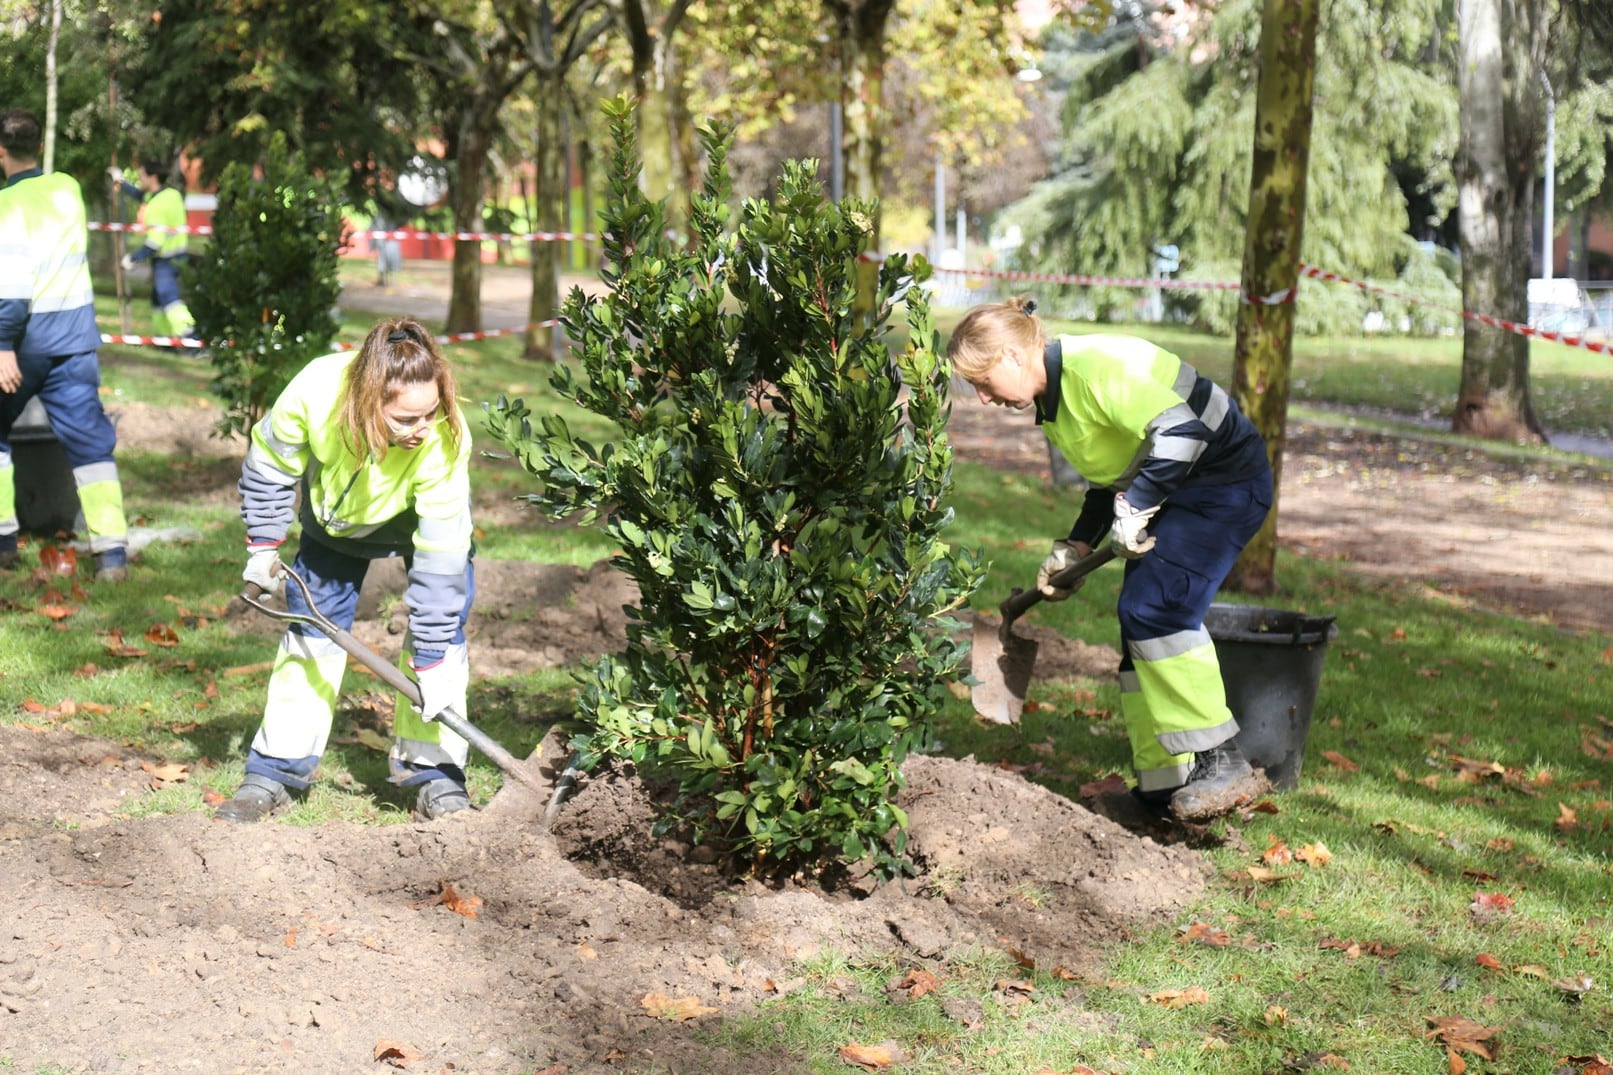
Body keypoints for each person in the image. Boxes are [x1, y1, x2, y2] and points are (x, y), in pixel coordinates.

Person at [947, 297, 1273, 822]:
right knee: (1140, 633)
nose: (983, 399)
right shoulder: (1054, 403)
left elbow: (1184, 432)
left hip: (1224, 482)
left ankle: (1224, 762)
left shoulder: (1093, 369)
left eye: (983, 383)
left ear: (1011, 355)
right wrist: (1074, 545)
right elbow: (1111, 478)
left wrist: (1138, 505)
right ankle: (1161, 793)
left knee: (1156, 613)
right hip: (1182, 488)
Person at [218, 316, 477, 823]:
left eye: (430, 414)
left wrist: (430, 657)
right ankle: (275, 769)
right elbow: (270, 463)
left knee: (440, 648)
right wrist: (264, 543)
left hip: (415, 523)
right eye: (406, 420)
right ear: (365, 401)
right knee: (310, 637)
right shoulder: (316, 390)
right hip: (333, 524)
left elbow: (442, 559)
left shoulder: (443, 438)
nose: (423, 430)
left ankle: (436, 776)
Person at [0, 108, 130, 581]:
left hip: (27, 344)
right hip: (74, 343)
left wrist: (2, 348)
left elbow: (11, 289)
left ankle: (3, 545)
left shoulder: (6, 206)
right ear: (37, 146)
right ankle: (112, 555)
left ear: (0, 151)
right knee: (91, 446)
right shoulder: (68, 189)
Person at [110, 158, 194, 338]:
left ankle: (191, 339)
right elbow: (140, 195)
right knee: (158, 300)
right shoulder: (170, 194)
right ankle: (164, 340)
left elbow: (154, 244)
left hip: (166, 259)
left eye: (142, 175)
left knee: (169, 299)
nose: (139, 179)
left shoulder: (157, 205)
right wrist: (121, 183)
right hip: (179, 256)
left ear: (153, 177)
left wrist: (132, 258)